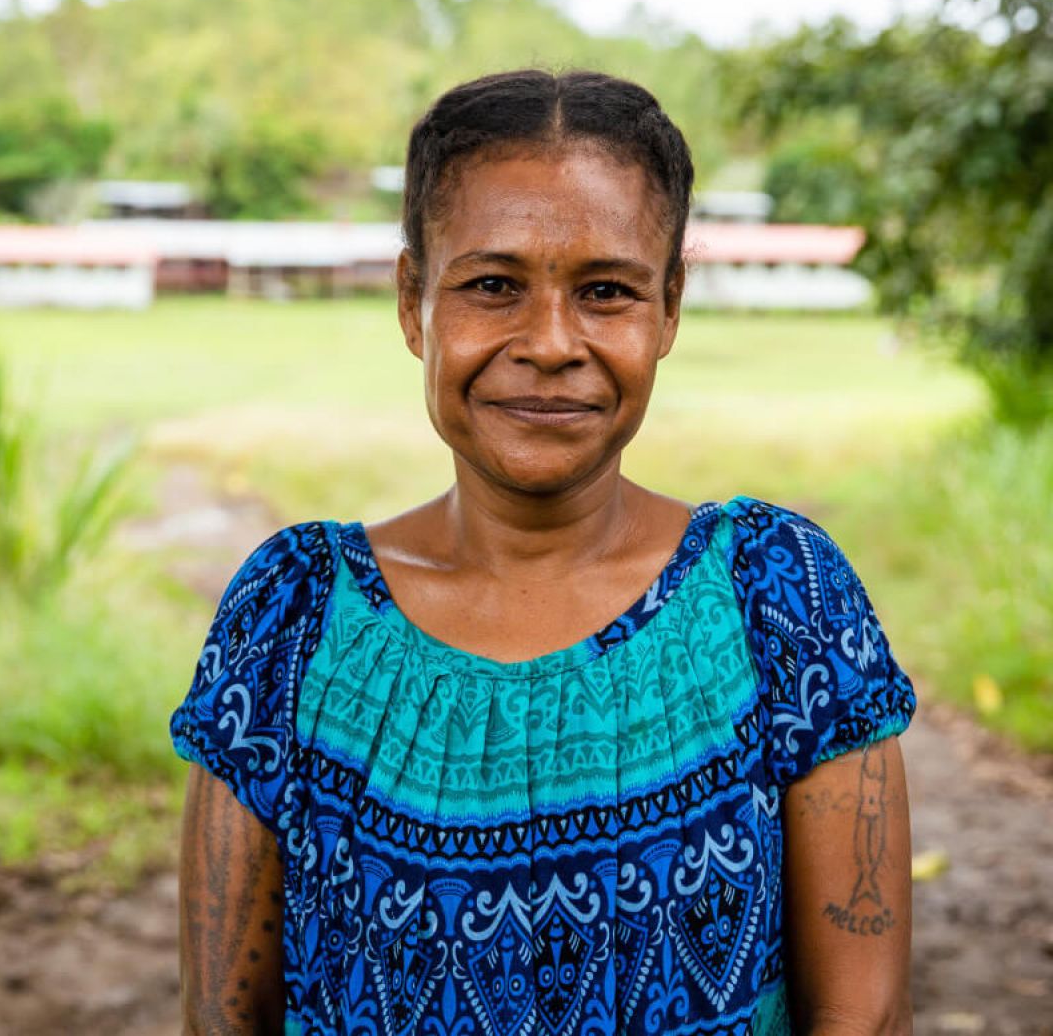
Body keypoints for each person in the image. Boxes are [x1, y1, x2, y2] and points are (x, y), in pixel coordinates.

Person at [171, 69, 916, 1036]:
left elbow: (865, 1014)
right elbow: (221, 1020)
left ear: (670, 309)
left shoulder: (780, 599)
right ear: (412, 303)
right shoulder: (293, 620)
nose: (552, 342)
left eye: (607, 291)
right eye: (492, 286)